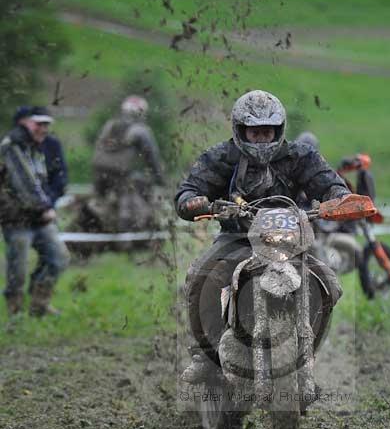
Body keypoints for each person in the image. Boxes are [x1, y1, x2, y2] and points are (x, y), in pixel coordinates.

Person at [175, 89, 350, 384]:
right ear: (241, 130)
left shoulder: (298, 155)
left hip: (289, 241)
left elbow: (329, 183)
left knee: (328, 284)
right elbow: (188, 190)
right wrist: (193, 201)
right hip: (237, 239)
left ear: (278, 130)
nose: (261, 138)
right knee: (199, 276)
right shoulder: (222, 157)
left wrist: (340, 198)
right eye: (254, 132)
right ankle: (204, 354)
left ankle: (309, 350)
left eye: (267, 131)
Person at [0, 106, 69, 316]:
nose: (44, 129)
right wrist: (45, 207)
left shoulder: (35, 147)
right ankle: (15, 312)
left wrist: (48, 202)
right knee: (17, 270)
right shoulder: (11, 146)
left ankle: (39, 304)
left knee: (58, 258)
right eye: (39, 124)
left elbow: (43, 181)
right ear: (24, 123)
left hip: (39, 218)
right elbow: (24, 185)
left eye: (47, 124)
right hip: (16, 219)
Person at [81, 95, 165, 238]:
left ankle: (96, 226)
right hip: (120, 174)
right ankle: (127, 232)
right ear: (142, 112)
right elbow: (152, 157)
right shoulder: (141, 130)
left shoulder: (110, 124)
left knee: (99, 200)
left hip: (98, 171)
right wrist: (160, 179)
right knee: (131, 196)